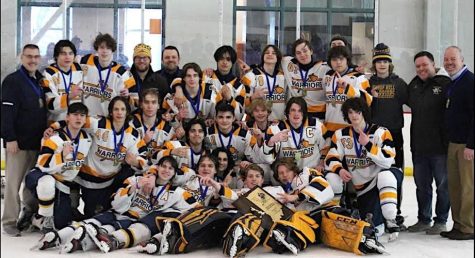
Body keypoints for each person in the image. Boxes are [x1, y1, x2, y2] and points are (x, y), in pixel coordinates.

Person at [325, 97, 400, 239]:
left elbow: (388, 161)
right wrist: (340, 170)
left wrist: (368, 145)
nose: (354, 116)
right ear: (346, 115)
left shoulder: (381, 132)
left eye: (357, 112)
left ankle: (391, 219)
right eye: (350, 112)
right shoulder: (341, 135)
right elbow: (330, 158)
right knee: (332, 177)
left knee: (386, 176)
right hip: (362, 189)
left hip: (379, 182)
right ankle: (334, 213)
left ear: (363, 112)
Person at [1, 44, 47, 236]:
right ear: (21, 57)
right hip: (17, 144)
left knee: (30, 185)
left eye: (36, 56)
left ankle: (27, 217)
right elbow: (6, 112)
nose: (33, 60)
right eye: (29, 56)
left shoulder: (40, 80)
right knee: (13, 185)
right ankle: (9, 222)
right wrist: (9, 138)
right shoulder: (12, 81)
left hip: (37, 143)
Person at [25, 103, 92, 232]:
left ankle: (36, 216)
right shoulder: (54, 137)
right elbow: (43, 164)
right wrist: (62, 155)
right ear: (67, 117)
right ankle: (45, 218)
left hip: (62, 183)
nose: (78, 118)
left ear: (85, 119)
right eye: (75, 115)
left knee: (62, 224)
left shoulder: (87, 139)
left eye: (82, 115)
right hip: (40, 176)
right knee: (47, 183)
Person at [406, 51, 451, 235]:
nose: (421, 69)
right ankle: (424, 219)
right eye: (418, 66)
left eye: (425, 65)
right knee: (422, 186)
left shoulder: (445, 84)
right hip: (419, 148)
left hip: (440, 148)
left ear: (433, 64)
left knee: (443, 186)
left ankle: (440, 220)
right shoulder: (414, 85)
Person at [368, 43, 408, 227]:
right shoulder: (368, 83)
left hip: (394, 135)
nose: (382, 64)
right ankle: (373, 212)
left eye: (385, 61)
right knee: (373, 174)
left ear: (389, 63)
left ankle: (394, 213)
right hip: (373, 136)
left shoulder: (399, 84)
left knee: (394, 174)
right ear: (374, 64)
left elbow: (417, 100)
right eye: (378, 61)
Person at [441, 46, 474, 240]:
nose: (449, 63)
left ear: (462, 59)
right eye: (446, 59)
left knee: (468, 187)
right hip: (453, 144)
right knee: (455, 186)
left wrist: (472, 144)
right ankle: (458, 224)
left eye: (453, 59)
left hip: (466, 145)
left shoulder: (470, 81)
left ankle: (469, 227)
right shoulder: (452, 83)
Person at [260, 97, 329, 171]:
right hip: (286, 174)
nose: (296, 114)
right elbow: (267, 160)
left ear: (304, 113)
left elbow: (326, 148)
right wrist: (271, 141)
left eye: (300, 111)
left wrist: (321, 163)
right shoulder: (275, 129)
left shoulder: (316, 125)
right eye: (293, 110)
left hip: (311, 171)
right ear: (287, 112)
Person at [80, 33, 134, 117]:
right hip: (86, 118)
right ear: (97, 48)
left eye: (108, 48)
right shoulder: (85, 61)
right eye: (102, 47)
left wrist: (127, 96)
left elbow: (132, 102)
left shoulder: (122, 72)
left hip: (109, 120)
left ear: (112, 50)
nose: (104, 51)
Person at [323, 45, 372, 136]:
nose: (338, 62)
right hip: (329, 128)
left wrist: (348, 89)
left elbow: (369, 100)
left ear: (347, 60)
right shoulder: (328, 76)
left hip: (350, 129)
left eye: (341, 59)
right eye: (334, 59)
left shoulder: (359, 77)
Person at [281, 39, 329, 121]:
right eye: (298, 53)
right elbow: (271, 59)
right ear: (295, 56)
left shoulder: (324, 67)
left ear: (311, 51)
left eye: (305, 51)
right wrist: (252, 67)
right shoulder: (288, 63)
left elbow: (342, 66)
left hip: (318, 117)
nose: (302, 55)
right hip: (296, 115)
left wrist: (355, 68)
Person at [240, 44, 287, 121]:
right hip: (257, 124)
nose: (270, 54)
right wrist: (252, 97)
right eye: (267, 52)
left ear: (278, 58)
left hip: (279, 123)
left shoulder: (283, 76)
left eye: (274, 53)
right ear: (262, 56)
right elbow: (241, 104)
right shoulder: (251, 76)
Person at [130, 88, 175, 165]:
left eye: (153, 102)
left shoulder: (168, 130)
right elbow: (126, 152)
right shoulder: (131, 123)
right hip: (133, 168)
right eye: (146, 102)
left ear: (158, 105)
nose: (150, 106)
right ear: (141, 105)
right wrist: (144, 141)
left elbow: (168, 159)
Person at [43, 39, 83, 124]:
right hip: (56, 125)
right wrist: (70, 96)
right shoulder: (49, 73)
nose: (67, 57)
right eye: (63, 54)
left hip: (76, 124)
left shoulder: (79, 69)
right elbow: (50, 105)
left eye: (70, 53)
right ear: (56, 56)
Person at [129, 43, 169, 110]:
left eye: (145, 58)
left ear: (150, 60)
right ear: (134, 60)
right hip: (130, 118)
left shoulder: (160, 81)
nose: (141, 61)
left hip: (153, 119)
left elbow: (165, 104)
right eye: (138, 57)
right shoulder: (125, 79)